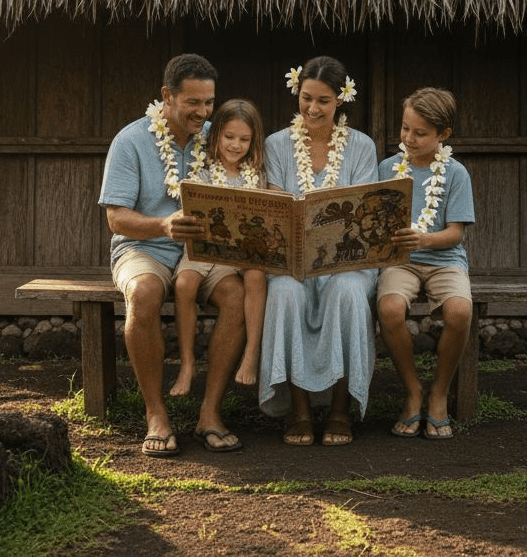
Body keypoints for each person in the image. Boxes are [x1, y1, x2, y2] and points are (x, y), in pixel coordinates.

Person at [99, 54, 246, 456]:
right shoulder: (130, 140)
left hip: (204, 253)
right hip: (144, 246)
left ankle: (210, 413)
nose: (203, 112)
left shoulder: (219, 137)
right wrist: (162, 225)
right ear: (167, 96)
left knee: (237, 296)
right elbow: (116, 218)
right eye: (193, 103)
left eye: (208, 102)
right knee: (144, 294)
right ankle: (156, 413)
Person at [260, 56, 378, 446]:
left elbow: (364, 210)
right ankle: (299, 411)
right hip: (293, 258)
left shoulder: (361, 146)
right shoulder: (276, 144)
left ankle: (342, 411)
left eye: (323, 101)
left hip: (347, 259)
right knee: (284, 292)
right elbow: (274, 204)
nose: (313, 108)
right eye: (306, 98)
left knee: (346, 292)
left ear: (340, 100)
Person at [376, 87, 476, 440]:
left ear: (443, 135)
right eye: (405, 129)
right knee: (389, 308)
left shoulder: (455, 173)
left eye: (420, 133)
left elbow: (455, 234)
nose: (410, 138)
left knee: (460, 311)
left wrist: (423, 239)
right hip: (400, 261)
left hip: (444, 258)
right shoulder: (388, 168)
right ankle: (413, 390)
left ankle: (439, 392)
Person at [170, 99, 270, 396]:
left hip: (238, 256)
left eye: (244, 139)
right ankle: (187, 363)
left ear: (253, 142)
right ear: (216, 137)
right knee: (185, 284)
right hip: (203, 250)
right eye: (229, 137)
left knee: (255, 274)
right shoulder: (201, 172)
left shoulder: (258, 176)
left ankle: (251, 353)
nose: (236, 145)